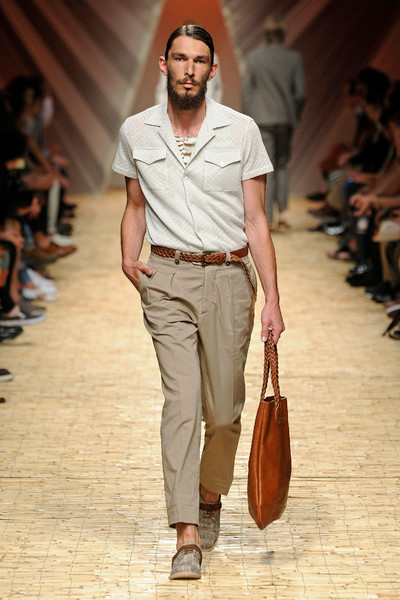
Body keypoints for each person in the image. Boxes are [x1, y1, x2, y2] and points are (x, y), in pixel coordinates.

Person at [112, 24, 285, 580]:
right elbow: (135, 205)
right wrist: (128, 255)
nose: (190, 70)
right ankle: (186, 531)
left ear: (213, 69)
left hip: (230, 278)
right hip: (165, 278)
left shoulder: (242, 131)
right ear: (163, 64)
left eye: (200, 60)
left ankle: (210, 492)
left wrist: (272, 301)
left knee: (225, 412)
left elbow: (256, 219)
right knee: (181, 403)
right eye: (181, 59)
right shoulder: (136, 131)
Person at [242, 15, 306, 229]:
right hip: (285, 119)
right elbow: (301, 94)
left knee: (265, 166)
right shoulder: (294, 58)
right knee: (282, 165)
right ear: (283, 34)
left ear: (266, 33)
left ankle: (267, 218)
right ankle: (283, 214)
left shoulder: (254, 58)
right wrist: (294, 115)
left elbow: (247, 92)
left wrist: (248, 118)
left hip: (261, 118)